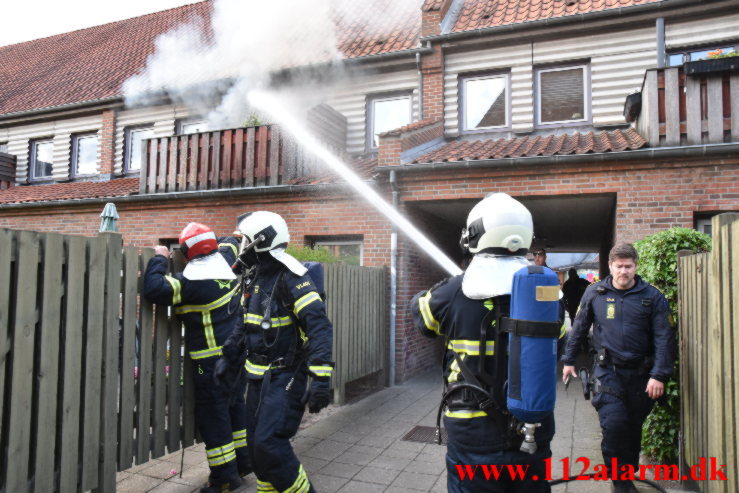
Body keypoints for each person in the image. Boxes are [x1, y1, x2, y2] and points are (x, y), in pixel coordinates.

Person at [410, 193, 554, 493]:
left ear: (474, 234)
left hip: (472, 432)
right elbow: (561, 334)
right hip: (531, 429)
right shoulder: (549, 292)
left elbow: (422, 319)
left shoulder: (453, 291)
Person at [217, 211, 334, 493]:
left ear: (261, 241)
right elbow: (246, 324)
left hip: (286, 376)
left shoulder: (293, 278)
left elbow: (320, 328)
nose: (241, 246)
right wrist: (229, 355)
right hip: (258, 379)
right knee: (257, 450)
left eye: (245, 240)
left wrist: (321, 378)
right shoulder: (256, 276)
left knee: (269, 445)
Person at [143, 223, 249, 493]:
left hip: (210, 365)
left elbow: (154, 289)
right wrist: (233, 234)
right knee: (235, 409)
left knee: (214, 418)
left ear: (188, 252)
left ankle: (224, 479)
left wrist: (159, 257)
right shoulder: (225, 262)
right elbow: (230, 242)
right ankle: (243, 464)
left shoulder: (190, 284)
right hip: (237, 357)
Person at [561, 243, 675, 493]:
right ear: (611, 266)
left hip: (641, 376)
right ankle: (620, 483)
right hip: (607, 372)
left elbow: (664, 338)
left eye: (628, 266)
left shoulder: (652, 296)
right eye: (619, 266)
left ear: (636, 266)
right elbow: (579, 327)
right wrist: (569, 361)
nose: (623, 271)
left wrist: (658, 375)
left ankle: (626, 473)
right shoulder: (595, 292)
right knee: (614, 426)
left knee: (633, 428)